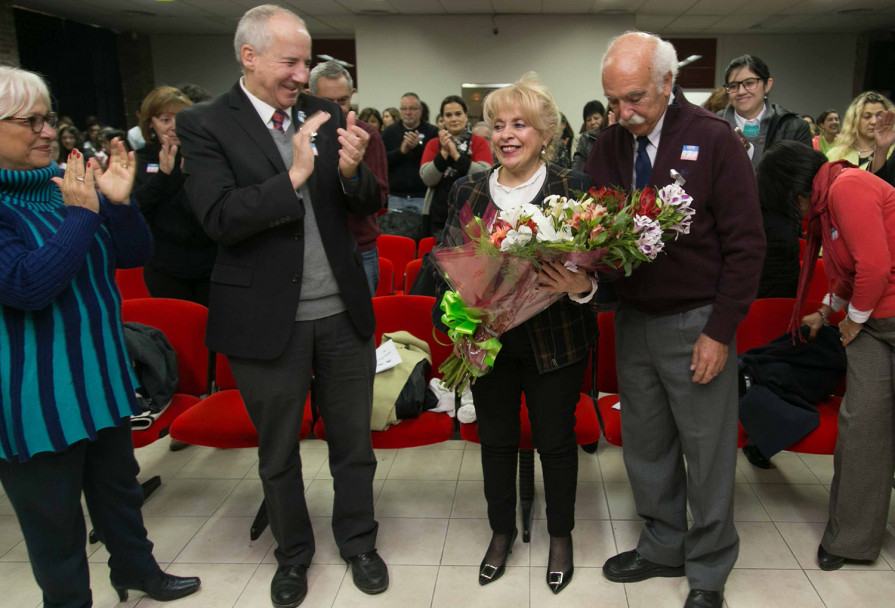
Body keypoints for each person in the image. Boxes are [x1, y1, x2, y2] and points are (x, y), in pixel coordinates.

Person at [175, 6, 387, 607]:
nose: (303, 73)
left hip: (342, 314)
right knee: (278, 453)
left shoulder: (330, 114)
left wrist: (350, 172)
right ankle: (292, 555)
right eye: (290, 62)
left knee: (354, 444)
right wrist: (293, 175)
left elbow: (366, 201)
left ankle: (359, 542)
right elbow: (218, 218)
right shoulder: (206, 123)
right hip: (267, 321)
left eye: (306, 60)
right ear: (249, 56)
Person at [0, 65, 200, 607]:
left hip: (99, 377)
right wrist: (84, 214)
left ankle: (138, 572)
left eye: (48, 119)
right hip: (37, 398)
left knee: (120, 494)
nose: (48, 131)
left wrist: (116, 203)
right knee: (55, 525)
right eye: (31, 122)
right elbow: (27, 286)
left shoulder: (60, 187)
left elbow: (133, 254)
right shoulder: (36, 204)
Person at [585, 33, 765, 608]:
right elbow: (596, 230)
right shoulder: (607, 145)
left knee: (706, 450)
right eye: (613, 100)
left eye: (635, 97)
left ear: (668, 82)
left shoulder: (712, 140)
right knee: (646, 445)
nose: (623, 112)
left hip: (697, 322)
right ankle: (663, 544)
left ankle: (708, 568)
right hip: (633, 318)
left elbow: (747, 246)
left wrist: (719, 331)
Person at [433, 73, 599, 596]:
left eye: (520, 124)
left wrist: (582, 283)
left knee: (557, 442)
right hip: (490, 343)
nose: (507, 134)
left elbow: (609, 271)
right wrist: (463, 312)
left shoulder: (573, 188)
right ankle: (501, 532)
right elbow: (447, 263)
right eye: (499, 124)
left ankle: (561, 536)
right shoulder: (468, 187)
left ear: (545, 132)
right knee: (496, 443)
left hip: (558, 340)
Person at [756, 140, 895, 572]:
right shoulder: (826, 205)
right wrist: (824, 311)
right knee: (862, 428)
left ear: (796, 194)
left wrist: (849, 322)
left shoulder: (846, 188)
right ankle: (852, 539)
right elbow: (849, 272)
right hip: (874, 322)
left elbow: (874, 266)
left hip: (876, 316)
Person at [308, 61, 389, 295]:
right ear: (309, 97)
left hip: (358, 247)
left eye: (342, 101)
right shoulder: (300, 136)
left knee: (362, 326)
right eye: (327, 103)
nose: (336, 109)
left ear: (352, 95)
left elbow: (378, 198)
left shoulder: (367, 136)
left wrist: (355, 170)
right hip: (314, 248)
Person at [133, 85, 217, 306]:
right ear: (151, 123)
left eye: (180, 117)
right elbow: (137, 208)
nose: (173, 127)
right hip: (165, 266)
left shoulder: (204, 154)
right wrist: (162, 175)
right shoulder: (141, 159)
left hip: (210, 262)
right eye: (165, 119)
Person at [718, 54, 812, 172]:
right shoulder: (712, 126)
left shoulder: (793, 126)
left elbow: (803, 177)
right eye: (733, 86)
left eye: (750, 83)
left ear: (767, 85)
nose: (741, 91)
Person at [419, 95, 492, 239]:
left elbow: (485, 175)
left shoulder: (479, 142)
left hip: (474, 211)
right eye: (448, 115)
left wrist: (456, 155)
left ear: (466, 116)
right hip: (439, 214)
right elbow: (427, 178)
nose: (454, 119)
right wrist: (444, 154)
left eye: (458, 114)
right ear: (443, 118)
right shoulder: (433, 144)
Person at [382, 92, 438, 212]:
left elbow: (436, 163)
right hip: (396, 196)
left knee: (422, 230)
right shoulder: (389, 132)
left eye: (412, 109)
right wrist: (401, 151)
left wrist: (417, 148)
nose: (408, 112)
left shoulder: (432, 132)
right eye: (404, 109)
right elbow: (382, 162)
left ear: (420, 110)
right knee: (395, 231)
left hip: (423, 196)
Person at [826, 91, 894, 169]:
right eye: (867, 116)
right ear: (854, 119)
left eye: (879, 115)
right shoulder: (835, 154)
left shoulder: (892, 153)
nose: (874, 121)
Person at [571, 100, 606, 172]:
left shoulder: (610, 136)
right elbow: (576, 168)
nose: (593, 122)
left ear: (604, 118)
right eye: (588, 120)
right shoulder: (581, 139)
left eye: (596, 118)